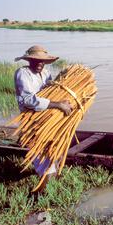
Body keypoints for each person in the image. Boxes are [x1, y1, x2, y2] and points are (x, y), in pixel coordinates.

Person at [14, 45, 73, 194]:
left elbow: (50, 92)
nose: (40, 64)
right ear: (30, 60)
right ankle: (42, 190)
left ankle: (51, 182)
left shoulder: (46, 73)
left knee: (53, 148)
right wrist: (58, 105)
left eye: (42, 61)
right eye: (36, 61)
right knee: (40, 154)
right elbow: (28, 100)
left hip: (47, 118)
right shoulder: (23, 73)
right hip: (32, 119)